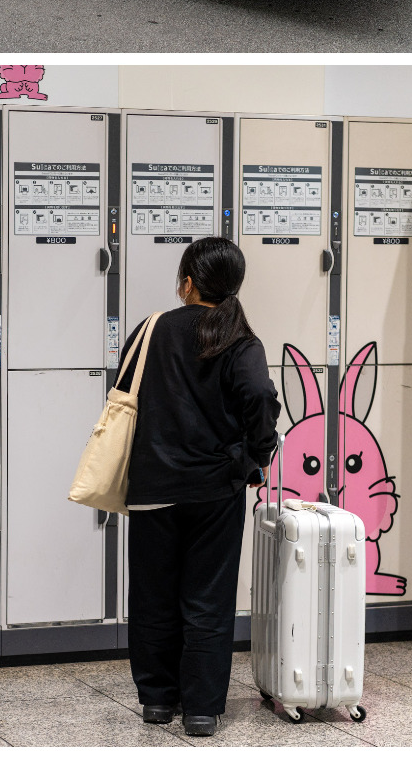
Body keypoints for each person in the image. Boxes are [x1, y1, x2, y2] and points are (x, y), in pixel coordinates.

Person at [123, 236, 281, 738]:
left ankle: (156, 701)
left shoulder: (152, 331)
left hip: (153, 486)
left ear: (187, 282)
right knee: (206, 599)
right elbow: (259, 395)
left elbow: (125, 392)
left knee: (154, 596)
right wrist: (256, 454)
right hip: (215, 490)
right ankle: (201, 709)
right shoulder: (239, 339)